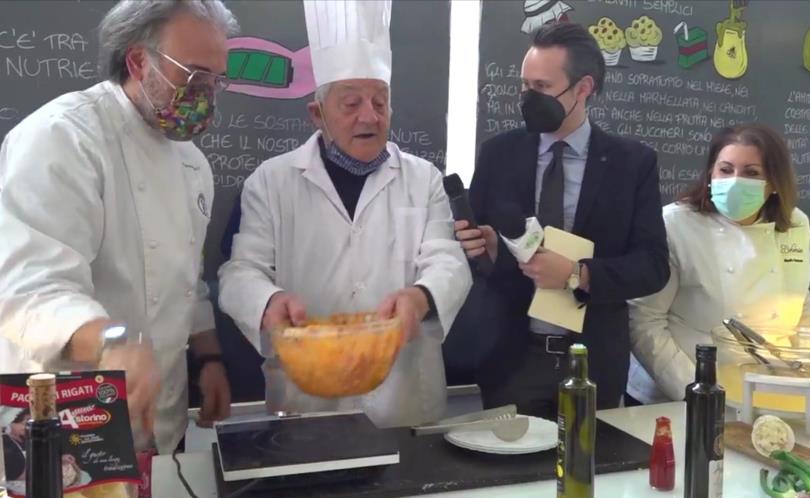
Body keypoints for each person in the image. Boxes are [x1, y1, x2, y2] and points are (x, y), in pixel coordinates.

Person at [218, 0, 471, 427]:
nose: (369, 116)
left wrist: (420, 296)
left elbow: (447, 259)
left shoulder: (422, 178)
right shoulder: (272, 181)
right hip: (305, 398)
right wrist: (269, 301)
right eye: (351, 103)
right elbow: (240, 271)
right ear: (317, 114)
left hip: (404, 399)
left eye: (380, 101)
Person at [0, 0, 238, 454]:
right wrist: (113, 343)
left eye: (215, 80)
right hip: (66, 419)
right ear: (137, 60)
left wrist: (208, 358)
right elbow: (29, 286)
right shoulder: (62, 138)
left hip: (158, 420)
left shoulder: (193, 164)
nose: (206, 93)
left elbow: (187, 280)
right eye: (193, 77)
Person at [455, 22, 669, 416]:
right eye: (525, 86)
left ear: (583, 88)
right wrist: (482, 249)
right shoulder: (497, 155)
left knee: (588, 473)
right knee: (509, 475)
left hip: (592, 362)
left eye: (542, 88)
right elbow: (475, 261)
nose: (527, 98)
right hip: (509, 360)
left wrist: (578, 275)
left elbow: (652, 267)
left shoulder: (632, 164)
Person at [626, 124, 810, 404]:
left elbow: (801, 302)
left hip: (773, 390)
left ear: (775, 183)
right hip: (680, 392)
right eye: (726, 169)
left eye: (752, 173)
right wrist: (697, 390)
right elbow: (644, 321)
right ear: (710, 174)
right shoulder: (674, 224)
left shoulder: (795, 223)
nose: (735, 181)